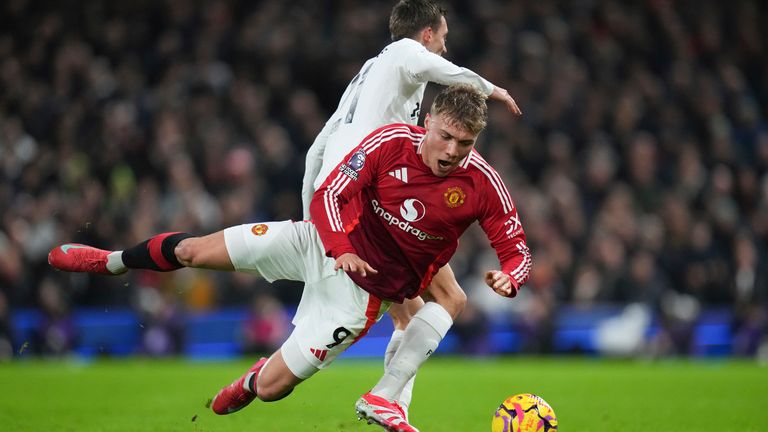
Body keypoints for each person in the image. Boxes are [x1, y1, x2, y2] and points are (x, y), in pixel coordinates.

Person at [48, 84, 530, 432]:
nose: (452, 152)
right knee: (194, 249)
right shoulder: (389, 144)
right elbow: (328, 196)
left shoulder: (481, 184)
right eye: (445, 136)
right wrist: (339, 247)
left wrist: (512, 277)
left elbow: (518, 250)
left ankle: (258, 376)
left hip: (358, 297)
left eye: (464, 144)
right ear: (428, 121)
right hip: (318, 243)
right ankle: (109, 261)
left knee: (274, 389)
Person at [300, 0, 521, 417]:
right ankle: (384, 399)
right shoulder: (405, 54)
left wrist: (313, 216)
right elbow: (449, 73)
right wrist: (493, 90)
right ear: (426, 35)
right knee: (448, 298)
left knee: (414, 314)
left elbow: (319, 146)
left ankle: (390, 405)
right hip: (368, 193)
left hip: (347, 189)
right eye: (443, 38)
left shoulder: (372, 74)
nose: (443, 47)